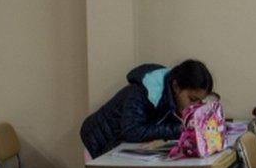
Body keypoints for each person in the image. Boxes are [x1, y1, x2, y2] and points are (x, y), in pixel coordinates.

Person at [80, 59, 214, 158]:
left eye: (199, 102)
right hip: (100, 145)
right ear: (176, 86)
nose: (194, 106)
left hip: (121, 148)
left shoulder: (170, 94)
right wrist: (179, 129)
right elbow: (132, 131)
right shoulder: (143, 92)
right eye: (192, 99)